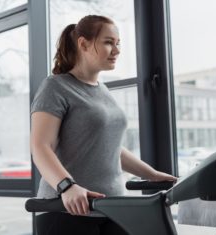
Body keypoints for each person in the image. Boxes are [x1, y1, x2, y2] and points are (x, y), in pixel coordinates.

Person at [30, 15, 177, 235]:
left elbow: (110, 147)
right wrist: (67, 186)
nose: (116, 50)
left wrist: (152, 174)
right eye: (109, 42)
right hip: (66, 210)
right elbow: (40, 146)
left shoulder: (103, 91)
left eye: (118, 44)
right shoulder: (55, 87)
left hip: (113, 208)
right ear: (83, 44)